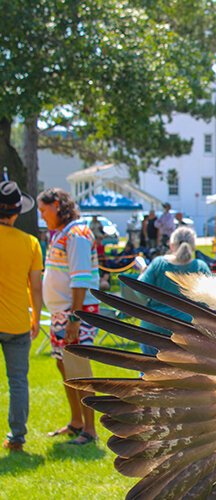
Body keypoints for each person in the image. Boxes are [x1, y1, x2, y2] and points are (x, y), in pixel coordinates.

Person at [37, 188, 100, 445]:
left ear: (57, 205)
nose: (43, 217)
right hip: (61, 313)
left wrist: (75, 318)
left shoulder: (78, 234)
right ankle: (76, 422)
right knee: (63, 364)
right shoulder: (62, 234)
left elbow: (81, 278)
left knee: (79, 368)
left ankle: (91, 430)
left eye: (44, 210)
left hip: (77, 313)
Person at [0, 181, 43, 452]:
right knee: (18, 381)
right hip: (17, 321)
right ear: (17, 212)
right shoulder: (31, 243)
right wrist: (36, 319)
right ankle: (17, 438)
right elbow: (36, 287)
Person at [137, 227, 210, 355]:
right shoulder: (200, 267)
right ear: (193, 246)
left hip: (154, 327)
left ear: (171, 245)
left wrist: (143, 272)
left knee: (148, 371)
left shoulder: (158, 264)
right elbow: (210, 300)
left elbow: (140, 291)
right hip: (188, 330)